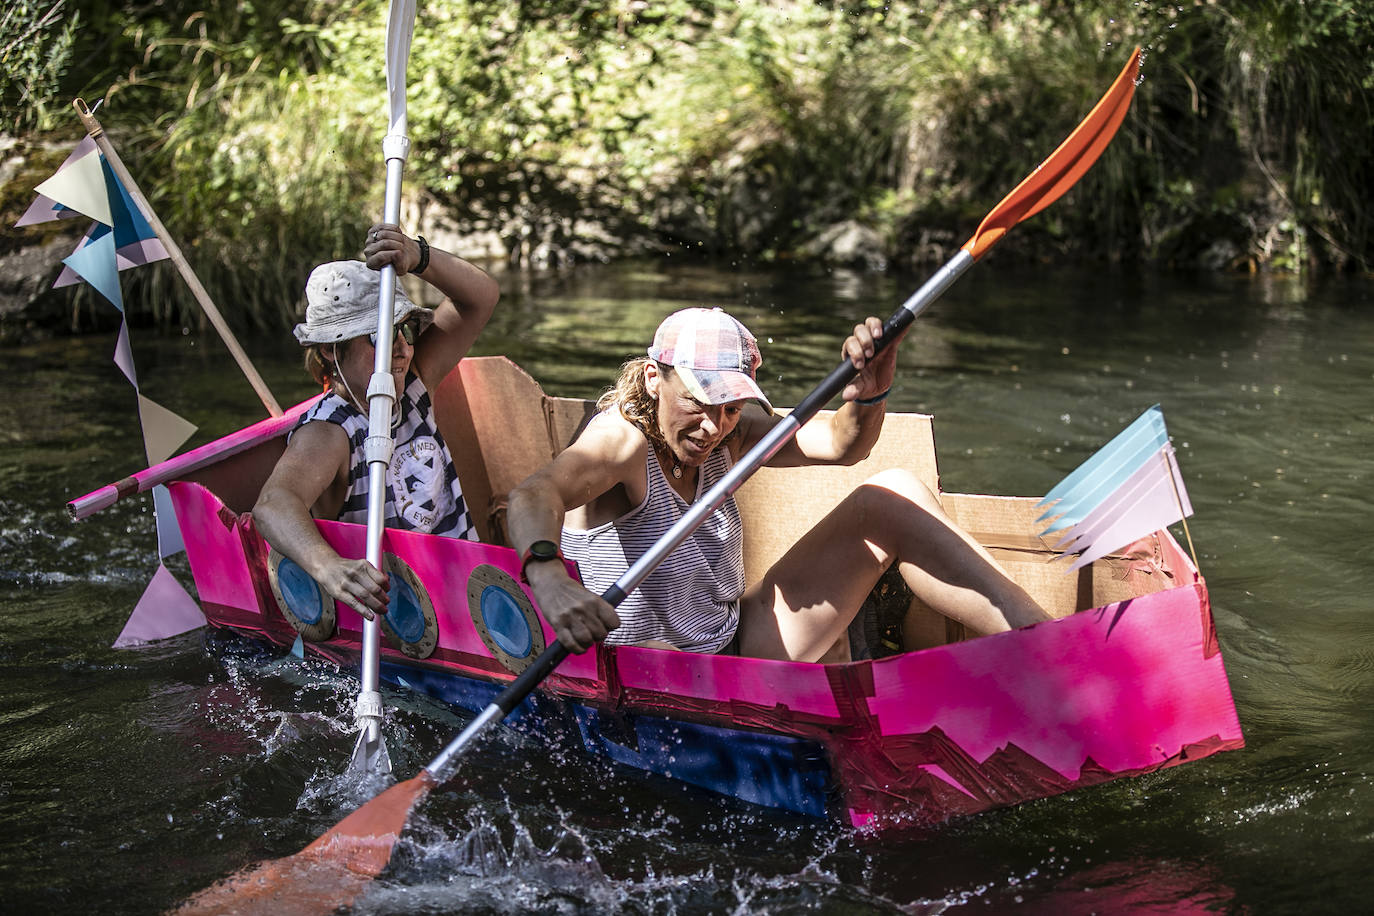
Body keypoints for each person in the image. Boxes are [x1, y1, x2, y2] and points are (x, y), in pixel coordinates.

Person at [506, 306, 1050, 662]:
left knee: (894, 492)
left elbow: (841, 444)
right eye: (698, 401)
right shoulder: (623, 440)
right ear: (654, 377)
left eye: (730, 407)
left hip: (730, 647)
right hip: (643, 669)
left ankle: (1051, 646)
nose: (712, 427)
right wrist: (549, 579)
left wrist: (871, 392)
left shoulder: (735, 434)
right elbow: (533, 495)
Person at [254, 224, 500, 621]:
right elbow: (272, 505)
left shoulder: (416, 382)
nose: (401, 348)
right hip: (404, 623)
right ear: (331, 352)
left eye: (403, 329)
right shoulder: (332, 430)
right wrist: (329, 568)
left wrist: (417, 256)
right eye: (378, 335)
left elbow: (481, 298)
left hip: (467, 597)